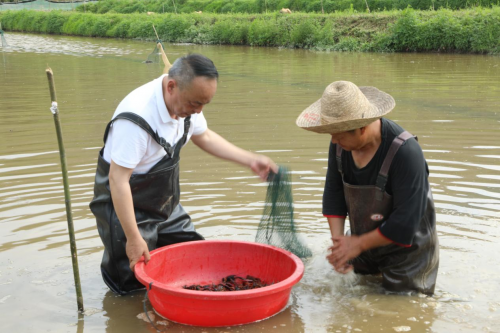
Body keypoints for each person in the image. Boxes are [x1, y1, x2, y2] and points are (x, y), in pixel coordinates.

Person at [89, 54, 277, 295]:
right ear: (171, 86)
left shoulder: (188, 107)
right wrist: (134, 238)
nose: (198, 111)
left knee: (194, 253)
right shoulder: (136, 118)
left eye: (203, 105)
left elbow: (205, 136)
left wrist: (250, 159)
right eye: (194, 103)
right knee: (134, 281)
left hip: (162, 201)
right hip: (124, 205)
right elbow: (118, 180)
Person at [295, 81, 439, 295]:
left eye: (339, 134)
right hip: (362, 242)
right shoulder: (339, 145)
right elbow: (334, 192)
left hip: (407, 254)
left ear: (362, 127)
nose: (334, 140)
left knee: (401, 313)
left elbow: (406, 223)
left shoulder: (406, 153)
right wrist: (340, 245)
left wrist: (357, 244)